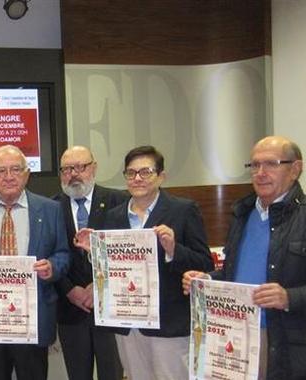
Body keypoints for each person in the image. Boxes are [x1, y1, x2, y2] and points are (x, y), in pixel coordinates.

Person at [182, 136, 306, 380]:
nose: (260, 173)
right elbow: (236, 275)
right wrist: (208, 279)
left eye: (271, 164)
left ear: (295, 169)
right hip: (239, 341)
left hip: (296, 350)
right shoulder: (242, 215)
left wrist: (290, 297)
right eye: (254, 165)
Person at [76, 145, 213, 380]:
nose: (137, 178)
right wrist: (94, 254)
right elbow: (109, 273)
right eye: (131, 173)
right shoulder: (113, 216)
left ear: (161, 176)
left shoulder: (183, 210)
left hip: (168, 322)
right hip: (128, 323)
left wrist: (173, 250)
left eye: (145, 172)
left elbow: (204, 263)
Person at [0, 145, 70, 380]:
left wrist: (52, 267)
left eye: (15, 169)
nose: (8, 177)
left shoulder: (51, 209)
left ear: (27, 173)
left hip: (33, 316)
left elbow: (63, 254)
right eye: (0, 171)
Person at [53, 146, 124, 380]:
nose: (74, 174)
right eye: (67, 169)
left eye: (81, 167)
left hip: (111, 308)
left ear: (94, 167)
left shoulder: (120, 202)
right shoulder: (51, 208)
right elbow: (48, 255)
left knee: (111, 374)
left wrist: (99, 287)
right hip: (70, 309)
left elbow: (127, 252)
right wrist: (69, 290)